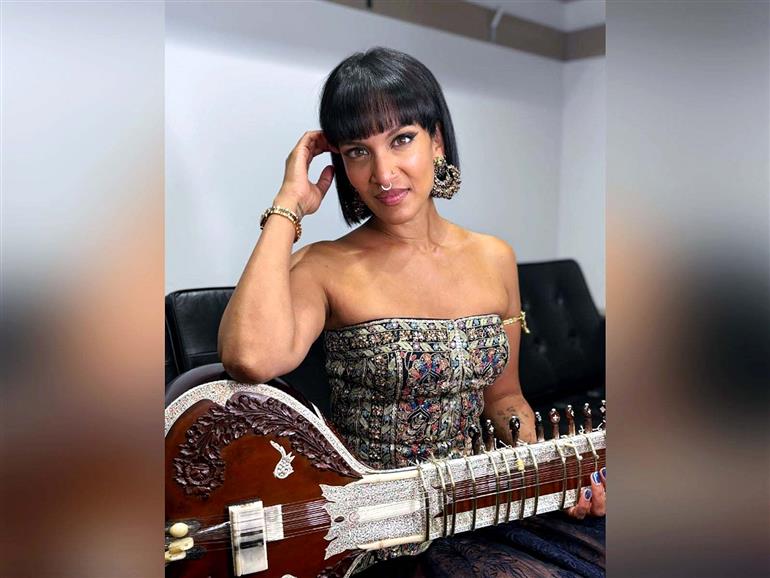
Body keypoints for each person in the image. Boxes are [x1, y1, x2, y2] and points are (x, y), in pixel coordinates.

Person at [219, 47, 605, 577]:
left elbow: (505, 399)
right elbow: (249, 357)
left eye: (401, 139)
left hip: (482, 507)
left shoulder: (494, 257)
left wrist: (549, 481)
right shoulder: (324, 266)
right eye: (358, 151)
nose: (383, 173)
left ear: (436, 141)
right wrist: (289, 204)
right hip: (379, 532)